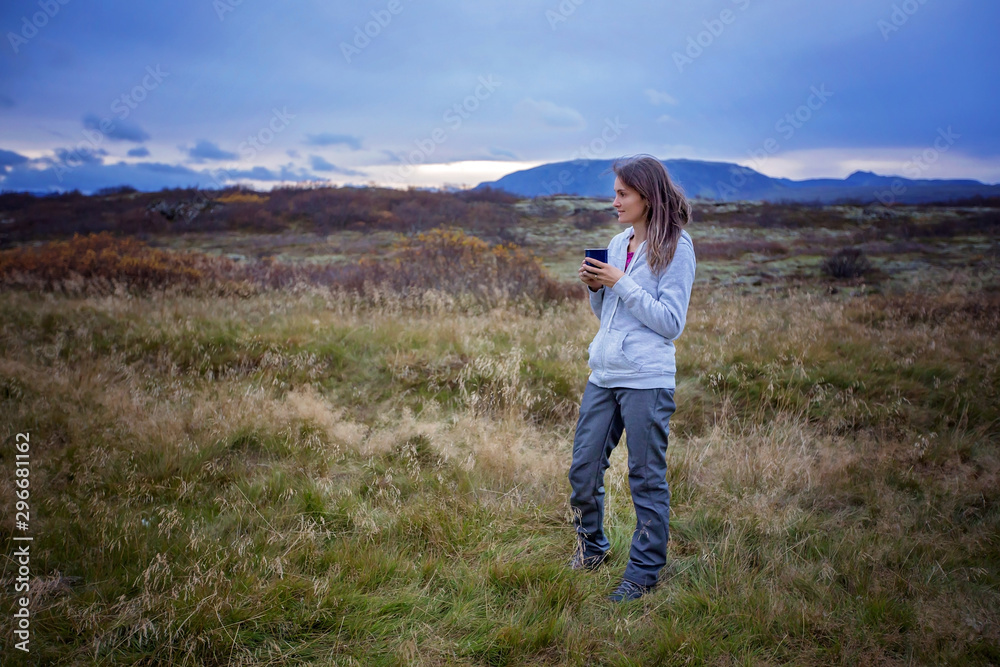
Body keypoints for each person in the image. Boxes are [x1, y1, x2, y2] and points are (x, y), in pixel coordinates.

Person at [569, 155, 696, 602]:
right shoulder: (617, 240)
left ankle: (642, 573)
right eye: (615, 193)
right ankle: (592, 548)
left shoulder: (677, 247)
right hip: (604, 373)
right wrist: (596, 288)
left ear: (647, 195)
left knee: (645, 477)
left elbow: (669, 322)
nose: (615, 201)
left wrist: (620, 281)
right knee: (583, 469)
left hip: (647, 378)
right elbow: (607, 316)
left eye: (622, 193)